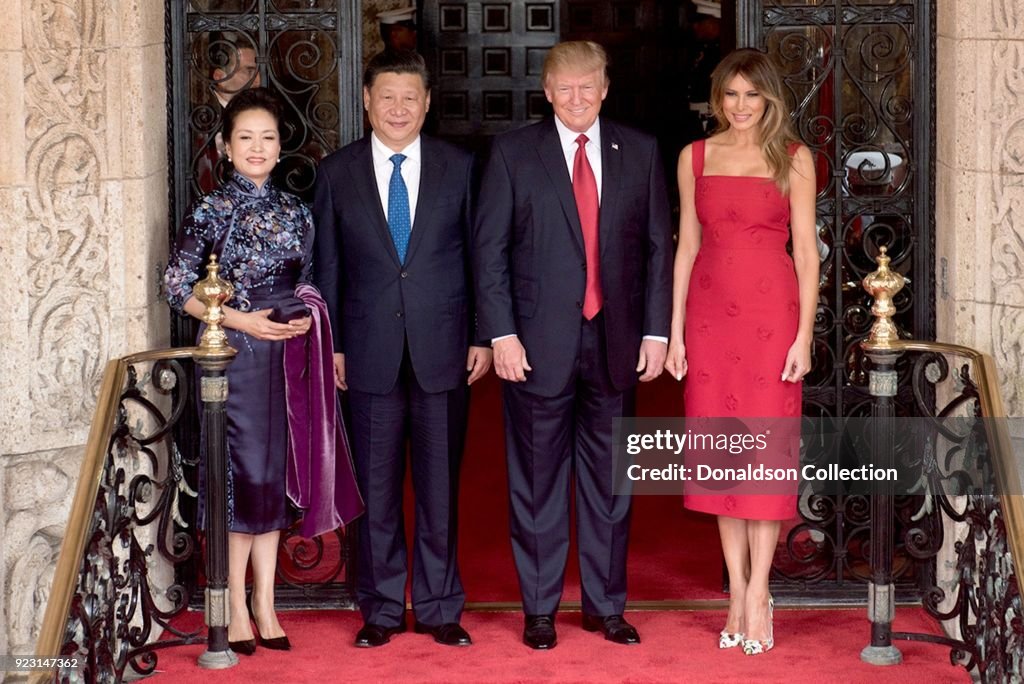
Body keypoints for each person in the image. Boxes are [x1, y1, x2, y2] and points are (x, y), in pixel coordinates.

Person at [473, 40, 674, 650]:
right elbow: (490, 252)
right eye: (565, 87)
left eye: (589, 86)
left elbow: (658, 248)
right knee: (536, 480)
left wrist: (656, 331)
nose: (578, 98)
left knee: (611, 482)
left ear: (606, 87)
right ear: (547, 90)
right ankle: (539, 609)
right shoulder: (513, 153)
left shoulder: (638, 151)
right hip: (535, 345)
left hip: (615, 341)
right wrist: (501, 334)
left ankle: (605, 606)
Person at [165, 87, 362, 656]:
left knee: (274, 478)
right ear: (226, 147)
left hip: (289, 358)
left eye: (268, 137)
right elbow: (178, 288)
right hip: (235, 359)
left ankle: (266, 603)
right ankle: (229, 606)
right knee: (241, 480)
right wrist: (242, 323)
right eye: (245, 137)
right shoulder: (209, 210)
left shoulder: (297, 211)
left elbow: (313, 279)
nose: (257, 147)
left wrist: (310, 318)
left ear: (281, 147)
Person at [312, 50, 491, 649]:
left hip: (444, 348)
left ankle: (441, 607)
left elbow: (479, 257)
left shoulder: (460, 166)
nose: (398, 108)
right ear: (365, 100)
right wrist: (332, 344)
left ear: (427, 103)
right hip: (367, 351)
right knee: (378, 490)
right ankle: (382, 608)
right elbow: (328, 266)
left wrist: (481, 335)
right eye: (386, 97)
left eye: (409, 97)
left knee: (439, 489)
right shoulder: (336, 173)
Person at [664, 48, 819, 656]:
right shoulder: (694, 157)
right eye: (731, 95)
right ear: (717, 98)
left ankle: (760, 593)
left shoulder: (795, 159)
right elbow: (686, 247)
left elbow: (807, 252)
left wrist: (804, 334)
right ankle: (735, 591)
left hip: (771, 318)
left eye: (752, 95)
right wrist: (674, 332)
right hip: (709, 319)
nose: (741, 106)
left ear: (771, 98)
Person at [195, 35, 262, 193]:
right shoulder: (201, 119)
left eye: (259, 71)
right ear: (220, 77)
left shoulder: (260, 113)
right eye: (249, 71)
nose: (258, 79)